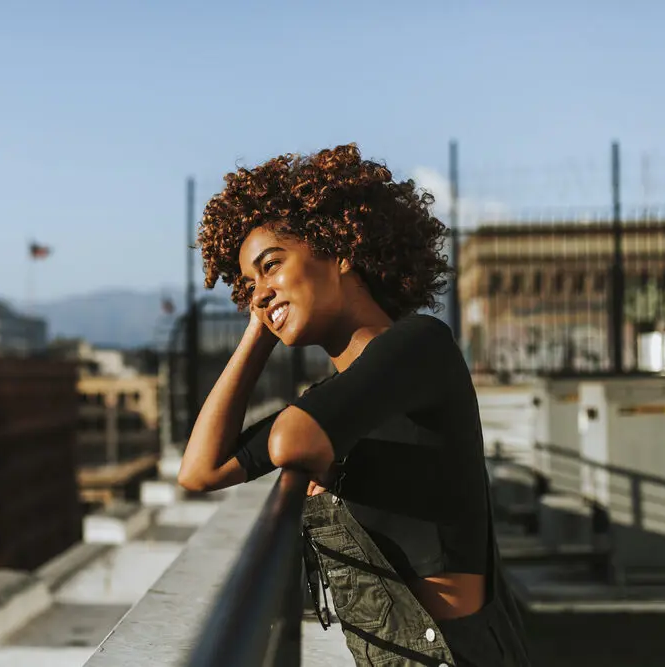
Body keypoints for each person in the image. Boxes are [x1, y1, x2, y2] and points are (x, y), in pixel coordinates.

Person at [177, 144, 531, 666]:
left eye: (271, 266)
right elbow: (200, 470)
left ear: (338, 248)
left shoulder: (421, 345)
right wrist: (259, 329)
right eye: (247, 285)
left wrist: (320, 453)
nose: (257, 294)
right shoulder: (333, 403)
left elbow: (291, 439)